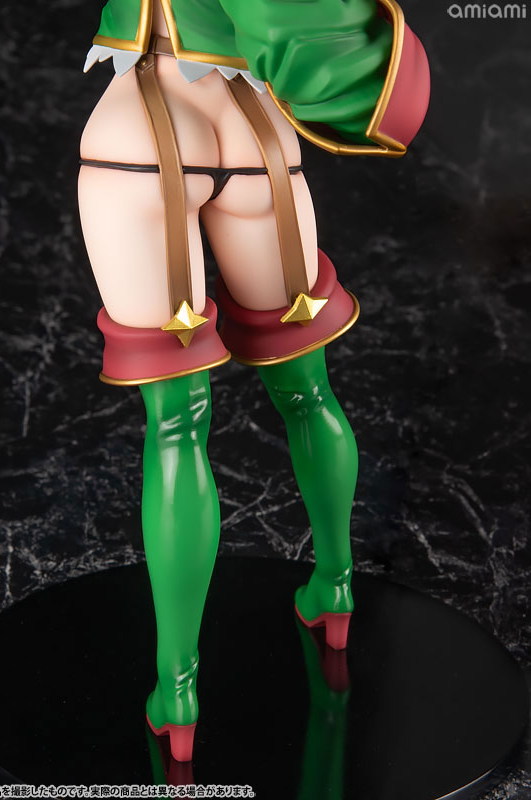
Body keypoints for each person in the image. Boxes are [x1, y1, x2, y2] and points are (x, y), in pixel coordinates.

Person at [78, 0, 430, 762]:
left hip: (139, 129)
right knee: (309, 392)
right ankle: (335, 586)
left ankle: (177, 688)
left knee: (176, 424)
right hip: (253, 129)